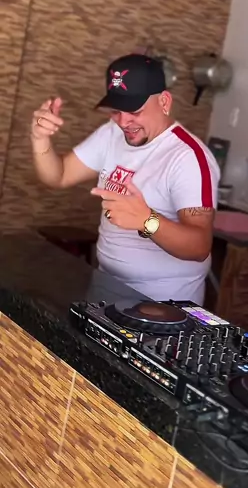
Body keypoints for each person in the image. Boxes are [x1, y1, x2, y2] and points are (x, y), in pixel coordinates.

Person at [31, 54, 220, 304]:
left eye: (135, 111)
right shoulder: (112, 134)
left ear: (164, 102)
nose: (123, 122)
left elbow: (199, 246)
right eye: (116, 111)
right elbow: (60, 175)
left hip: (163, 303)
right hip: (106, 286)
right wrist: (40, 139)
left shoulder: (188, 158)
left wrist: (147, 220)